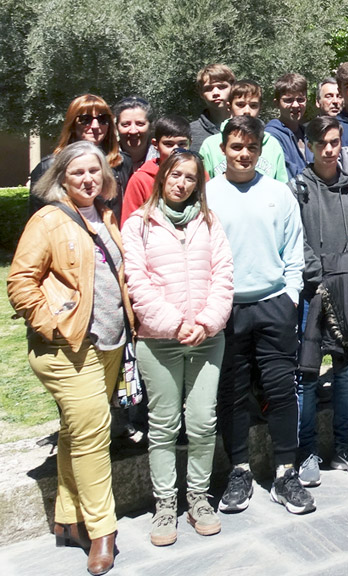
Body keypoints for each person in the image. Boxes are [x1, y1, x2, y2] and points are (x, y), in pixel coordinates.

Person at [8, 141, 133, 575]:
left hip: (108, 347)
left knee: (75, 432)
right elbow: (21, 281)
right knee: (94, 435)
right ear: (61, 176)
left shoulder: (104, 216)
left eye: (94, 171)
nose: (87, 179)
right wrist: (54, 324)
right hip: (67, 349)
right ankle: (103, 530)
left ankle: (69, 520)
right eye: (78, 172)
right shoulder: (48, 219)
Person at [122, 150, 233, 546]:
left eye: (190, 177)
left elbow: (223, 274)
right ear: (162, 176)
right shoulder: (140, 224)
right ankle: (165, 503)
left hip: (206, 338)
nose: (181, 183)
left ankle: (198, 498)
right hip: (160, 340)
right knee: (164, 426)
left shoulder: (208, 221)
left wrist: (206, 321)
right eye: (175, 175)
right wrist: (175, 323)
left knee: (203, 422)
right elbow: (137, 281)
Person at [206, 115, 314, 515]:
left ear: (261, 150)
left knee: (281, 391)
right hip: (228, 308)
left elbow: (293, 251)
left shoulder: (278, 193)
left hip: (274, 306)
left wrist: (289, 298)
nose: (244, 154)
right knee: (232, 395)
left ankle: (286, 472)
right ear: (223, 151)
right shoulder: (209, 195)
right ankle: (239, 470)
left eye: (251, 147)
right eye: (237, 147)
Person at [291, 115, 348, 487]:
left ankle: (343, 446)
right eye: (321, 143)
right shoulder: (298, 188)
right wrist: (320, 276)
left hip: (346, 291)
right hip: (311, 292)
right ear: (309, 145)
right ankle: (305, 451)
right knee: (307, 374)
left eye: (335, 142)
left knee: (346, 370)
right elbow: (296, 239)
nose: (329, 150)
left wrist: (342, 278)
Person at [29, 94, 132, 221]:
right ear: (72, 124)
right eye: (85, 119)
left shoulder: (122, 162)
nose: (95, 126)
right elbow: (38, 221)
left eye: (103, 119)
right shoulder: (48, 166)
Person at [198, 80, 289, 182]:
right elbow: (204, 186)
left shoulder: (272, 144)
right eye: (240, 105)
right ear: (229, 107)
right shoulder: (210, 145)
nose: (247, 111)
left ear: (260, 108)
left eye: (253, 105)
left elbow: (282, 184)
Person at [120, 115, 192, 226]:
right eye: (168, 144)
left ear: (190, 143)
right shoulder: (141, 180)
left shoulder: (198, 175)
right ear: (155, 144)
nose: (176, 150)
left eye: (182, 144)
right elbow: (129, 224)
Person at [265, 72, 314, 181]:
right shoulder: (271, 136)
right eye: (288, 100)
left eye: (300, 100)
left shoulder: (309, 134)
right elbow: (287, 173)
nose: (296, 105)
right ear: (277, 103)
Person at [190, 63, 235, 152]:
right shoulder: (190, 133)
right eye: (208, 89)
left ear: (233, 88)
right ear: (201, 93)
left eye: (222, 87)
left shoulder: (251, 127)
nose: (215, 93)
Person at [112, 96, 152, 172]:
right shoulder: (104, 161)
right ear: (116, 127)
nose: (133, 131)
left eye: (140, 124)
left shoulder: (163, 161)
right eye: (126, 124)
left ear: (150, 127)